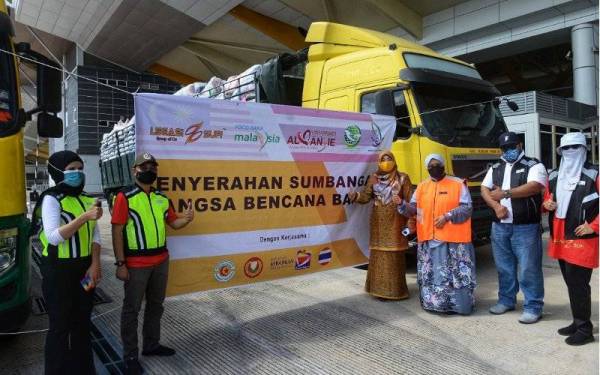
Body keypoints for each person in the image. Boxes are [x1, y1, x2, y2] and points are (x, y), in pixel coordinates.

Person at [111, 152, 194, 375]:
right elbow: (117, 230)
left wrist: (186, 219)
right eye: (144, 166)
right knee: (131, 310)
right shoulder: (124, 197)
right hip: (136, 264)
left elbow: (173, 223)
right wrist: (120, 263)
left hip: (161, 261)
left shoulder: (162, 198)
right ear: (134, 170)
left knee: (156, 306)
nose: (150, 170)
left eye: (153, 167)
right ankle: (130, 356)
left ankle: (151, 345)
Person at [31, 150, 103, 375]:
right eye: (71, 169)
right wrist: (83, 218)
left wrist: (95, 264)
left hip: (85, 271)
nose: (77, 173)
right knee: (60, 325)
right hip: (58, 272)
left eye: (80, 169)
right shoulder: (51, 199)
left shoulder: (87, 199)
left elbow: (96, 236)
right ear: (57, 172)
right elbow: (53, 236)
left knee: (82, 321)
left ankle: (84, 369)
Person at [481, 132, 547, 324]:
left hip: (525, 227)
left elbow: (535, 186)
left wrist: (505, 194)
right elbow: (485, 189)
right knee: (504, 267)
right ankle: (507, 301)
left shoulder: (534, 165)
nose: (508, 151)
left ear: (519, 145)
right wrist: (496, 206)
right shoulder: (496, 167)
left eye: (511, 147)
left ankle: (533, 306)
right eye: (504, 148)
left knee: (529, 268)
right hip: (500, 226)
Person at [398, 154, 476, 315]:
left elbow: (467, 208)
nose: (434, 167)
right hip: (429, 240)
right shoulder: (421, 187)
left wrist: (448, 216)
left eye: (437, 164)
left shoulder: (458, 183)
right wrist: (401, 204)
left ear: (443, 165)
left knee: (456, 276)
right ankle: (434, 305)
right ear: (427, 168)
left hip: (455, 242)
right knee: (433, 275)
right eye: (431, 165)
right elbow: (414, 210)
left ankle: (460, 307)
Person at [543, 132, 598, 346]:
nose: (570, 152)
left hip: (581, 238)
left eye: (575, 148)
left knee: (579, 283)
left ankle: (585, 329)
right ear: (560, 152)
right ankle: (578, 321)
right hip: (559, 235)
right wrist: (546, 204)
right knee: (570, 282)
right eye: (565, 149)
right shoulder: (555, 175)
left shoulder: (595, 174)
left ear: (584, 150)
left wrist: (593, 226)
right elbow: (548, 198)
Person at [350, 151, 414, 300]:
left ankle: (395, 291)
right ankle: (378, 290)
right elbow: (366, 196)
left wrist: (409, 221)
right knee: (379, 254)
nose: (386, 162)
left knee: (394, 254)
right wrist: (356, 196)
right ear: (378, 163)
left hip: (396, 222)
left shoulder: (403, 178)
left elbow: (411, 202)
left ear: (394, 160)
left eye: (389, 159)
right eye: (383, 159)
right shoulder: (374, 178)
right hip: (378, 223)